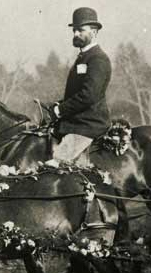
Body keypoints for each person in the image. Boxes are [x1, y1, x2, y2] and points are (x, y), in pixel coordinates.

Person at [48, 7, 113, 160]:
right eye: (74, 30)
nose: (76, 34)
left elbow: (88, 95)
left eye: (80, 30)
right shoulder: (83, 57)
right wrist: (57, 106)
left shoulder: (98, 59)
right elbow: (76, 93)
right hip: (76, 123)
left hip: (88, 125)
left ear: (94, 32)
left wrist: (60, 110)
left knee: (57, 163)